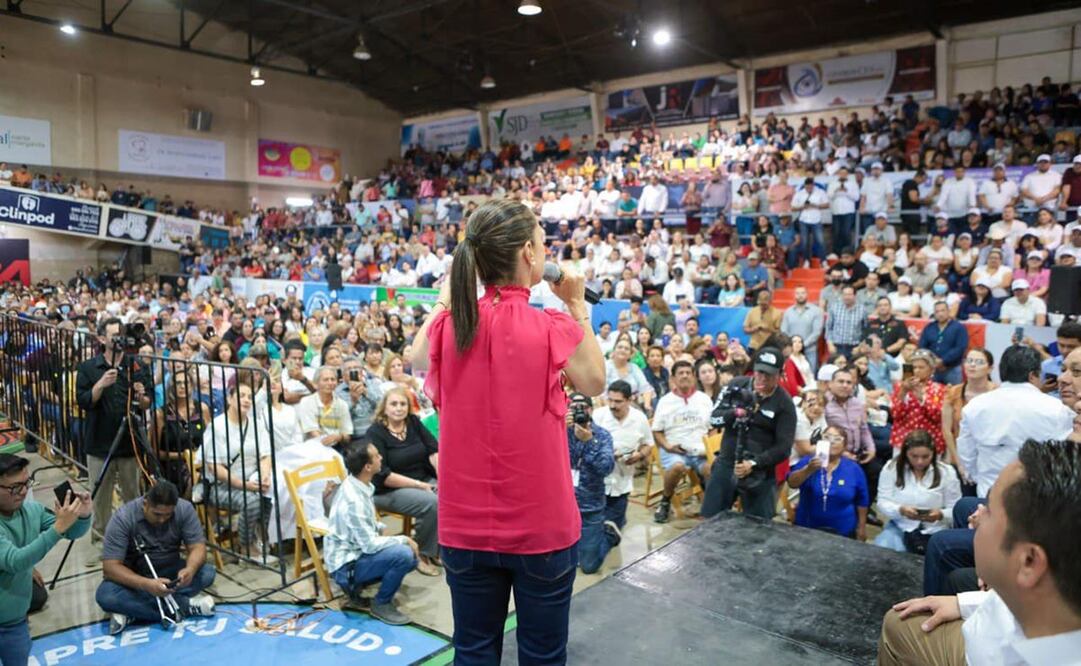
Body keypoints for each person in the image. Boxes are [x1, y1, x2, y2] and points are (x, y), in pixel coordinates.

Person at [409, 200, 605, 664]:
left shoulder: (450, 326)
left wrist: (445, 297)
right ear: (529, 255)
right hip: (542, 528)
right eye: (541, 239)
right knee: (542, 655)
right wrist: (576, 304)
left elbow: (417, 357)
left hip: (464, 527)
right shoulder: (551, 324)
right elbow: (595, 380)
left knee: (473, 653)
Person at [878, 440, 1081, 666]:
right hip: (980, 640)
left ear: (1029, 562)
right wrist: (965, 604)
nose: (976, 515)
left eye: (990, 511)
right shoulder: (1050, 598)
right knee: (899, 624)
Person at [0, 454, 91, 666]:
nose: (23, 491)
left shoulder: (32, 511)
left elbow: (71, 532)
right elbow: (15, 561)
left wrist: (83, 515)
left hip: (15, 622)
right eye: (14, 487)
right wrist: (58, 528)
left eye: (26, 483)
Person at [96, 480, 216, 634]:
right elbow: (110, 567)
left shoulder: (184, 509)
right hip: (136, 577)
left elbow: (198, 547)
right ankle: (185, 606)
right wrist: (147, 585)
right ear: (145, 503)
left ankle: (134, 612)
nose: (162, 519)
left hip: (170, 572)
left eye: (168, 515)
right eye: (157, 514)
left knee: (207, 573)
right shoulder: (124, 518)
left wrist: (190, 570)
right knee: (106, 596)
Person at [957, 345, 1076, 497]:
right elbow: (1062, 457)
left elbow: (967, 454)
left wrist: (980, 478)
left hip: (988, 492)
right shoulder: (1057, 409)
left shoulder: (974, 406)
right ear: (1033, 375)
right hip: (1039, 498)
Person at [75, 317, 152, 548]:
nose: (117, 339)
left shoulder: (135, 365)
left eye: (120, 334)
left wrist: (141, 396)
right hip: (99, 444)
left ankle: (136, 541)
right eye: (112, 335)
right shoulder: (89, 368)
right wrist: (100, 384)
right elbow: (84, 402)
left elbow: (147, 403)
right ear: (101, 339)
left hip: (129, 443)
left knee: (133, 496)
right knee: (100, 498)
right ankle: (101, 544)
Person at [325, 440, 419, 625]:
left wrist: (382, 531)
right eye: (376, 456)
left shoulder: (359, 484)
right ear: (368, 467)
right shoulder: (354, 501)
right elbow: (368, 545)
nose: (381, 457)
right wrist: (404, 539)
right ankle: (381, 604)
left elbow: (364, 527)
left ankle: (362, 585)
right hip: (346, 566)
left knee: (409, 558)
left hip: (355, 553)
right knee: (404, 555)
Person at [702, 347, 797, 520]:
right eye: (759, 372)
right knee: (710, 519)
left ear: (779, 375)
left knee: (758, 529)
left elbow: (784, 448)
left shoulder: (785, 404)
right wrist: (735, 413)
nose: (762, 378)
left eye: (769, 374)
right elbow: (714, 419)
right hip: (727, 463)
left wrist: (753, 463)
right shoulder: (735, 386)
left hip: (760, 472)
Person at [366, 387, 440, 576]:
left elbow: (433, 449)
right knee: (432, 502)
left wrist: (442, 477)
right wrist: (421, 486)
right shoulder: (376, 432)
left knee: (451, 493)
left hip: (422, 479)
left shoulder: (413, 422)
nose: (399, 408)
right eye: (393, 404)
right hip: (389, 489)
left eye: (403, 404)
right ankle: (421, 554)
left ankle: (437, 547)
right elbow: (383, 475)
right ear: (384, 408)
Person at [873, 430, 961, 553]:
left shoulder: (947, 472)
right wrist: (900, 510)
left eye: (925, 457)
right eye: (914, 456)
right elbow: (882, 502)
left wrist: (941, 514)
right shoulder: (891, 468)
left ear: (933, 453)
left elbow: (956, 510)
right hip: (901, 526)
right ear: (905, 453)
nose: (920, 461)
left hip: (936, 530)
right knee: (881, 549)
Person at [651, 360, 714, 524]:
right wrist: (667, 446)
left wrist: (710, 448)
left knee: (711, 467)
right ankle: (665, 501)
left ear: (694, 376)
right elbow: (657, 431)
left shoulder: (704, 399)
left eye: (688, 373)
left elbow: (713, 427)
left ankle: (711, 505)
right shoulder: (665, 402)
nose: (685, 376)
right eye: (681, 373)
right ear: (673, 378)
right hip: (674, 449)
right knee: (677, 467)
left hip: (700, 450)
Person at [786, 425, 869, 540]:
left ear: (844, 446)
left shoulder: (854, 469)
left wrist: (861, 527)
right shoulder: (808, 461)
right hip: (807, 528)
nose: (831, 442)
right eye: (827, 437)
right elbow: (792, 483)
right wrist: (808, 470)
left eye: (837, 439)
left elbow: (862, 501)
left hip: (843, 531)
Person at [563, 393, 616, 574]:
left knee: (588, 566)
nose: (579, 412)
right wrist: (558, 428)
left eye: (582, 408)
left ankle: (609, 535)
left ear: (591, 410)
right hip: (562, 506)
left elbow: (606, 467)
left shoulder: (601, 436)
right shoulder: (558, 432)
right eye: (573, 408)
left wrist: (589, 442)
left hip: (590, 506)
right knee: (564, 563)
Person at [592, 381, 653, 537]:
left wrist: (639, 456)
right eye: (610, 400)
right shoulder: (598, 416)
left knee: (615, 528)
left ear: (629, 400)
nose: (612, 405)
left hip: (622, 482)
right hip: (597, 483)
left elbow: (648, 444)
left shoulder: (639, 419)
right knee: (595, 528)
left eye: (618, 401)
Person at [823, 367, 882, 504]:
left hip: (858, 452)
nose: (845, 385)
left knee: (876, 471)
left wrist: (871, 449)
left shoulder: (857, 403)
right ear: (830, 384)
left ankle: (864, 509)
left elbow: (864, 429)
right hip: (835, 455)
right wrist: (842, 453)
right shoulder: (824, 404)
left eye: (849, 383)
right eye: (841, 381)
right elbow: (822, 435)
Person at [890, 349, 948, 456]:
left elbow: (939, 417)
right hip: (902, 441)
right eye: (914, 367)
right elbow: (895, 414)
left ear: (931, 370)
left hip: (931, 443)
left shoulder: (939, 389)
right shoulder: (900, 387)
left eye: (921, 367)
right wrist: (903, 392)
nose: (917, 370)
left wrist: (922, 399)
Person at [296, 366, 354, 450]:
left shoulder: (342, 404)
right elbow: (313, 432)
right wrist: (329, 441)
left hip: (337, 447)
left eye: (332, 379)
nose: (330, 383)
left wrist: (339, 437)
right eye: (325, 380)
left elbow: (347, 434)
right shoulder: (306, 402)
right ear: (316, 384)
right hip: (313, 447)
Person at [918, 302, 969, 385]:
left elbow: (960, 348)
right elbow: (922, 346)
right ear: (934, 314)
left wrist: (943, 361)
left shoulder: (959, 327)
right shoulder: (929, 327)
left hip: (952, 369)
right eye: (937, 311)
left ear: (948, 311)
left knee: (954, 395)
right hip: (932, 369)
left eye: (943, 310)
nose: (940, 314)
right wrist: (933, 361)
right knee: (931, 394)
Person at [780, 286, 824, 371]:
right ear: (794, 295)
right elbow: (784, 330)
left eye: (803, 293)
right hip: (792, 350)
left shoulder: (816, 311)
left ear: (807, 294)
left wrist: (802, 345)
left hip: (809, 350)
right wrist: (793, 345)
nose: (800, 295)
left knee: (810, 378)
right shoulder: (788, 312)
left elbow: (817, 332)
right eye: (798, 293)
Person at [825, 285, 866, 360]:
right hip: (837, 346)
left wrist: (860, 346)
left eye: (849, 294)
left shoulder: (862, 310)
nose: (847, 297)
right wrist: (830, 344)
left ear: (855, 295)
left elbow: (866, 330)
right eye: (844, 294)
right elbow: (829, 327)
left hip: (855, 348)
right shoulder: (834, 308)